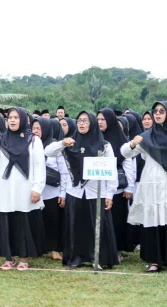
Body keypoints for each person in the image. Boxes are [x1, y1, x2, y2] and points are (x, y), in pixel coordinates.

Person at [0, 107, 47, 270]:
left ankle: (24, 258)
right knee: (5, 221)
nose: (12, 120)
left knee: (22, 222)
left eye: (16, 117)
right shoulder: (2, 139)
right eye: (10, 118)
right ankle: (9, 257)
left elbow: (39, 165)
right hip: (5, 188)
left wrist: (37, 188)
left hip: (24, 187)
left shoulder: (34, 141)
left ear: (23, 119)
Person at [44, 111, 119, 269]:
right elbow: (48, 151)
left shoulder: (104, 145)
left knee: (96, 226)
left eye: (85, 121)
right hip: (75, 191)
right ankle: (75, 257)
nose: (82, 124)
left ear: (92, 123)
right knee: (75, 226)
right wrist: (62, 143)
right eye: (79, 121)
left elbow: (111, 171)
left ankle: (97, 258)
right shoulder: (71, 143)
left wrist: (110, 194)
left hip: (96, 192)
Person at [122, 101, 167, 272]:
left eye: (162, 111)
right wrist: (133, 143)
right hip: (150, 184)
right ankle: (155, 260)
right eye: (155, 111)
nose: (158, 114)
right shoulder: (147, 136)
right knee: (153, 220)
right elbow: (125, 153)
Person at [98, 108, 135, 259]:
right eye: (98, 119)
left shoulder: (120, 140)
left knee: (117, 219)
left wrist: (129, 187)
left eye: (103, 119)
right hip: (100, 186)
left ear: (110, 121)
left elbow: (128, 164)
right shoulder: (96, 137)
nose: (100, 122)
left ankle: (117, 249)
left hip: (118, 187)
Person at [32, 116, 69, 261]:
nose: (35, 131)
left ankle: (54, 249)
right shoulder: (29, 145)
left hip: (52, 191)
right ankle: (37, 248)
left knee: (52, 221)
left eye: (38, 128)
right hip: (34, 191)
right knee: (36, 221)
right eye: (33, 128)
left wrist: (63, 193)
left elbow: (64, 172)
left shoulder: (54, 147)